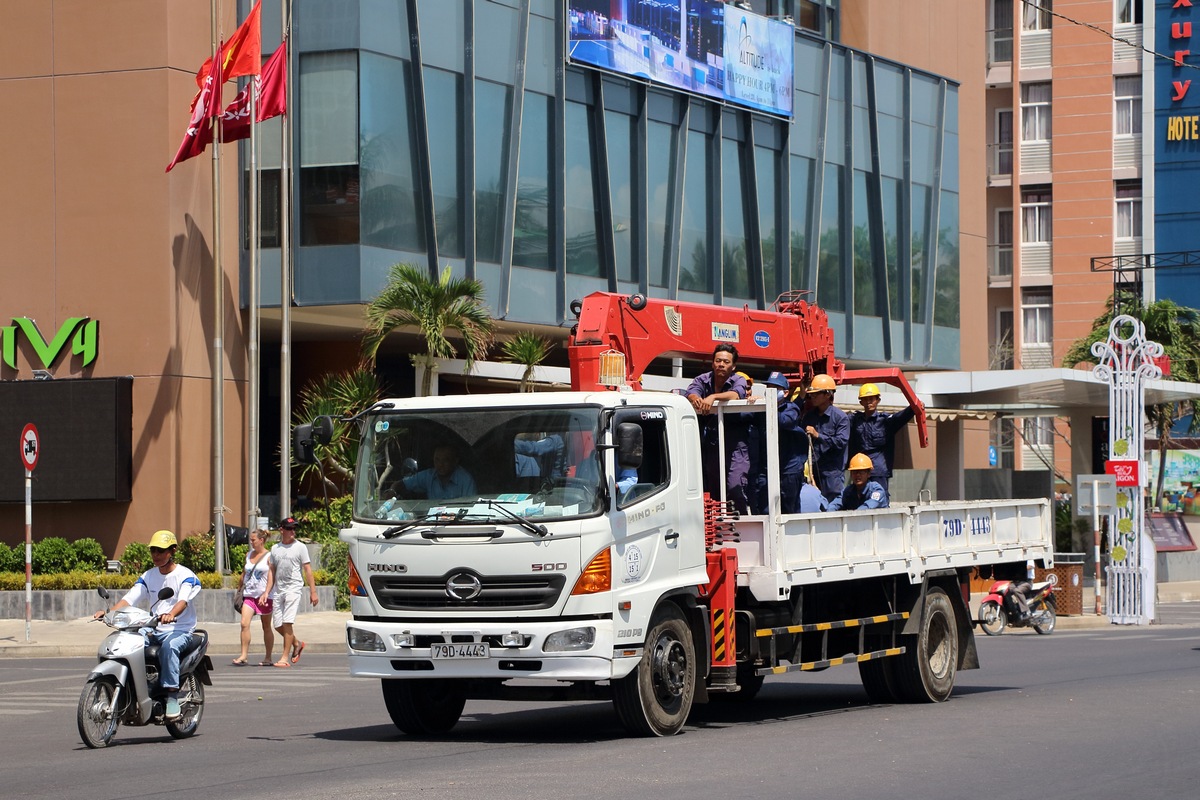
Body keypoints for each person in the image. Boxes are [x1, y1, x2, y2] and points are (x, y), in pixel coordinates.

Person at [93, 529, 201, 719]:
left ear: (172, 550)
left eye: (161, 550)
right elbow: (130, 598)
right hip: (153, 627)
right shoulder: (149, 575)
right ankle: (137, 687)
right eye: (153, 550)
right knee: (126, 643)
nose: (156, 555)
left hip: (180, 630)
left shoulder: (186, 575)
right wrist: (109, 613)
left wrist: (171, 614)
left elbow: (182, 601)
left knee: (169, 646)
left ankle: (172, 697)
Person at [686, 344, 750, 503]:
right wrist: (696, 399)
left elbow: (736, 395)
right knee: (714, 490)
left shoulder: (738, 380)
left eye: (726, 362)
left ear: (733, 366)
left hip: (736, 444)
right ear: (712, 363)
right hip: (713, 442)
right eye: (718, 360)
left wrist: (713, 397)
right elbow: (691, 392)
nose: (721, 364)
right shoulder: (703, 379)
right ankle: (718, 526)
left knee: (735, 487)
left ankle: (742, 522)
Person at [265, 517, 318, 668]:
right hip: (279, 590)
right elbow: (272, 572)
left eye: (294, 528)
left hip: (293, 589)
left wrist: (312, 591)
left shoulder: (300, 547)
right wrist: (266, 592)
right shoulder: (275, 549)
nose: (293, 531)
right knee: (277, 625)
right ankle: (297, 643)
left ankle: (284, 657)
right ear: (281, 530)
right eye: (289, 528)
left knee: (287, 623)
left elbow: (307, 569)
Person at [847, 383, 919, 494]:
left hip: (878, 471)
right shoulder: (854, 420)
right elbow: (837, 419)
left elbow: (903, 416)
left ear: (878, 400)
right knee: (859, 500)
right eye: (865, 399)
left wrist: (916, 405)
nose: (868, 402)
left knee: (880, 500)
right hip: (859, 470)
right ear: (861, 402)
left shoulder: (886, 421)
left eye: (871, 399)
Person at [760, 372, 810, 514]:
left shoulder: (791, 409)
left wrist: (767, 407)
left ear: (786, 393)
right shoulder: (761, 408)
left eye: (775, 389)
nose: (771, 392)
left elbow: (783, 421)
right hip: (767, 469)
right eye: (768, 388)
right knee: (766, 510)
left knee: (789, 509)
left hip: (789, 470)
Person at [801, 373, 850, 502]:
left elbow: (841, 442)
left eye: (816, 394)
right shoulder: (809, 417)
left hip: (832, 473)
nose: (813, 397)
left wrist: (818, 435)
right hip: (813, 472)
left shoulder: (841, 418)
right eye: (812, 394)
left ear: (828, 394)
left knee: (833, 505)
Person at [232, 529, 275, 667]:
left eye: (253, 540)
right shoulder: (248, 555)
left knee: (266, 626)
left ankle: (268, 657)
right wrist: (239, 589)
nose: (251, 542)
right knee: (244, 624)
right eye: (251, 540)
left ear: (261, 540)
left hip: (263, 596)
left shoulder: (269, 556)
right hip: (249, 595)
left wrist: (266, 593)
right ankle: (244, 655)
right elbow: (244, 573)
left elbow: (271, 576)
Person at [402, 444, 477, 499]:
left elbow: (471, 507)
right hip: (431, 519)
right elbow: (403, 484)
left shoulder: (465, 480)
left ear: (455, 461)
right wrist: (392, 491)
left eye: (445, 460)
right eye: (437, 460)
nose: (440, 465)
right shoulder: (429, 475)